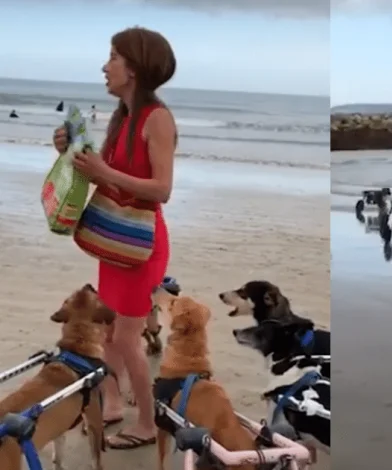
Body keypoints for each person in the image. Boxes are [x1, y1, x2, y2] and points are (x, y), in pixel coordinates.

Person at [52, 26, 177, 450]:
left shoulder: (157, 118)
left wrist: (103, 172)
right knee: (108, 334)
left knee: (125, 338)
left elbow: (162, 188)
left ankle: (148, 422)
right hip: (116, 241)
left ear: (136, 68)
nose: (105, 67)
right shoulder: (123, 116)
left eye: (113, 57)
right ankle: (112, 403)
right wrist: (71, 152)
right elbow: (106, 171)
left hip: (142, 245)